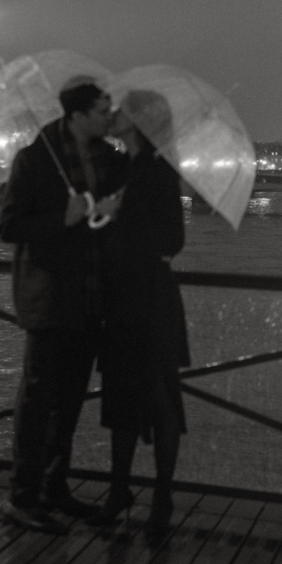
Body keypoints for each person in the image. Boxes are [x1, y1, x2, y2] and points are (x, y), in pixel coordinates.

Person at [0, 78, 127, 532]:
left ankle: (54, 487)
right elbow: (10, 226)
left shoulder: (110, 160)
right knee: (37, 401)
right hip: (50, 298)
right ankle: (22, 494)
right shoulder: (34, 161)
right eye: (102, 109)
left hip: (92, 297)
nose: (110, 116)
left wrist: (111, 215)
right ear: (78, 115)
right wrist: (63, 218)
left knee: (68, 402)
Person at [96, 94, 188, 534]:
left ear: (136, 122)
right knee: (122, 395)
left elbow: (173, 239)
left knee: (156, 394)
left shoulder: (156, 171)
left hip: (149, 296)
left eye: (119, 111)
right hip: (128, 295)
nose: (112, 115)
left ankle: (159, 496)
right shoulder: (125, 167)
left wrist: (123, 225)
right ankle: (122, 489)